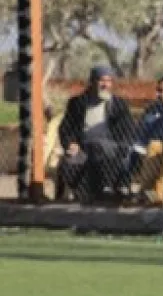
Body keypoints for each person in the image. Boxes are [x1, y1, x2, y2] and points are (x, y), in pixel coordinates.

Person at [57, 65, 133, 201]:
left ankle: (104, 192)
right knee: (68, 163)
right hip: (83, 147)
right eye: (102, 80)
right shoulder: (77, 103)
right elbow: (66, 128)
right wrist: (70, 143)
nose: (106, 85)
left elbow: (127, 130)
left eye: (109, 81)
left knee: (98, 148)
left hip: (111, 147)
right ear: (92, 82)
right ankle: (83, 194)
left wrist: (121, 146)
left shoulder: (119, 104)